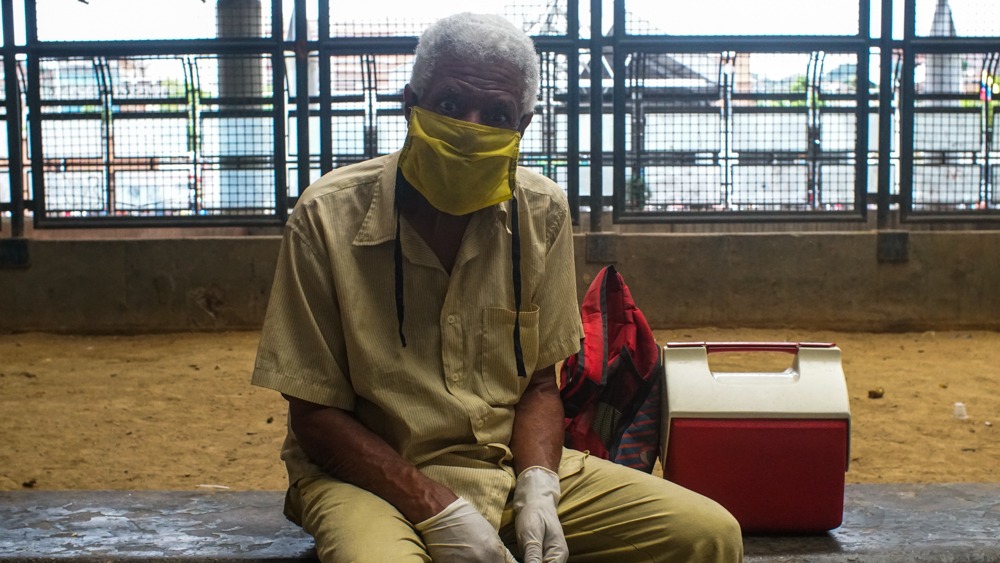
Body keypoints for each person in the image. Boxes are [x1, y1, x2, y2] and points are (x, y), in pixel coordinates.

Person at [251, 12, 743, 563]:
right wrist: (438, 508)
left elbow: (538, 386)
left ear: (524, 125)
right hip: (368, 479)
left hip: (503, 464)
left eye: (498, 114)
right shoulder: (325, 217)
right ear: (409, 103)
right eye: (449, 103)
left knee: (708, 535)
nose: (470, 125)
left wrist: (539, 487)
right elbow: (314, 416)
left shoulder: (543, 213)